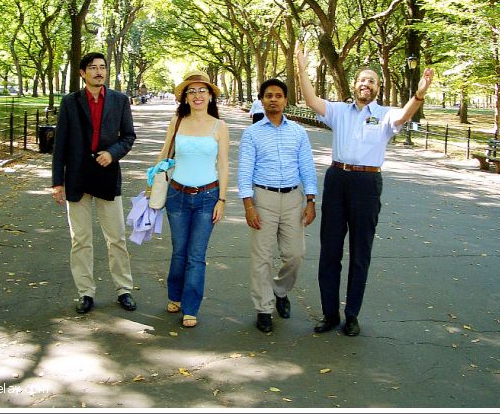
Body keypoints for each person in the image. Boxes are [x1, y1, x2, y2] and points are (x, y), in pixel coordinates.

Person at [295, 41, 434, 337]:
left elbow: (404, 116)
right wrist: (301, 69)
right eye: (361, 80)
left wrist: (419, 93)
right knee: (330, 250)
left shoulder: (384, 114)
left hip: (367, 184)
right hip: (337, 179)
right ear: (354, 85)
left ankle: (352, 314)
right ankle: (329, 313)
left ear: (378, 87)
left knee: (361, 252)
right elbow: (310, 100)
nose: (365, 84)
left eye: (371, 80)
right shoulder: (338, 111)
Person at [52, 52, 138, 315]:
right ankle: (85, 293)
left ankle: (124, 289)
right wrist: (57, 182)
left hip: (107, 174)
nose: (99, 72)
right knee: (81, 240)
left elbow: (129, 136)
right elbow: (61, 144)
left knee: (117, 238)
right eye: (93, 68)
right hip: (76, 177)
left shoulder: (120, 100)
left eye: (103, 67)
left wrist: (112, 153)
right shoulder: (70, 102)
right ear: (82, 73)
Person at [238, 78, 318, 333]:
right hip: (264, 198)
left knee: (295, 254)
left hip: (294, 198)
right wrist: (249, 206)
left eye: (278, 95)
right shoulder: (252, 133)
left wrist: (310, 200)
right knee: (261, 257)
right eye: (268, 95)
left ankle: (280, 291)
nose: (273, 99)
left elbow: (307, 167)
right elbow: (244, 171)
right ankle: (263, 307)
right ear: (261, 100)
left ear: (285, 100)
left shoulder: (298, 132)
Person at [156, 71, 230, 328]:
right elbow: (164, 153)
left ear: (210, 96)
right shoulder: (177, 121)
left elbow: (223, 165)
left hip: (207, 197)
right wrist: (152, 182)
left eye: (202, 91)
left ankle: (190, 307)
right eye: (192, 91)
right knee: (179, 252)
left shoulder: (220, 127)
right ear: (185, 97)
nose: (197, 95)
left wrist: (222, 199)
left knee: (196, 255)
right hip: (177, 195)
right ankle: (174, 295)